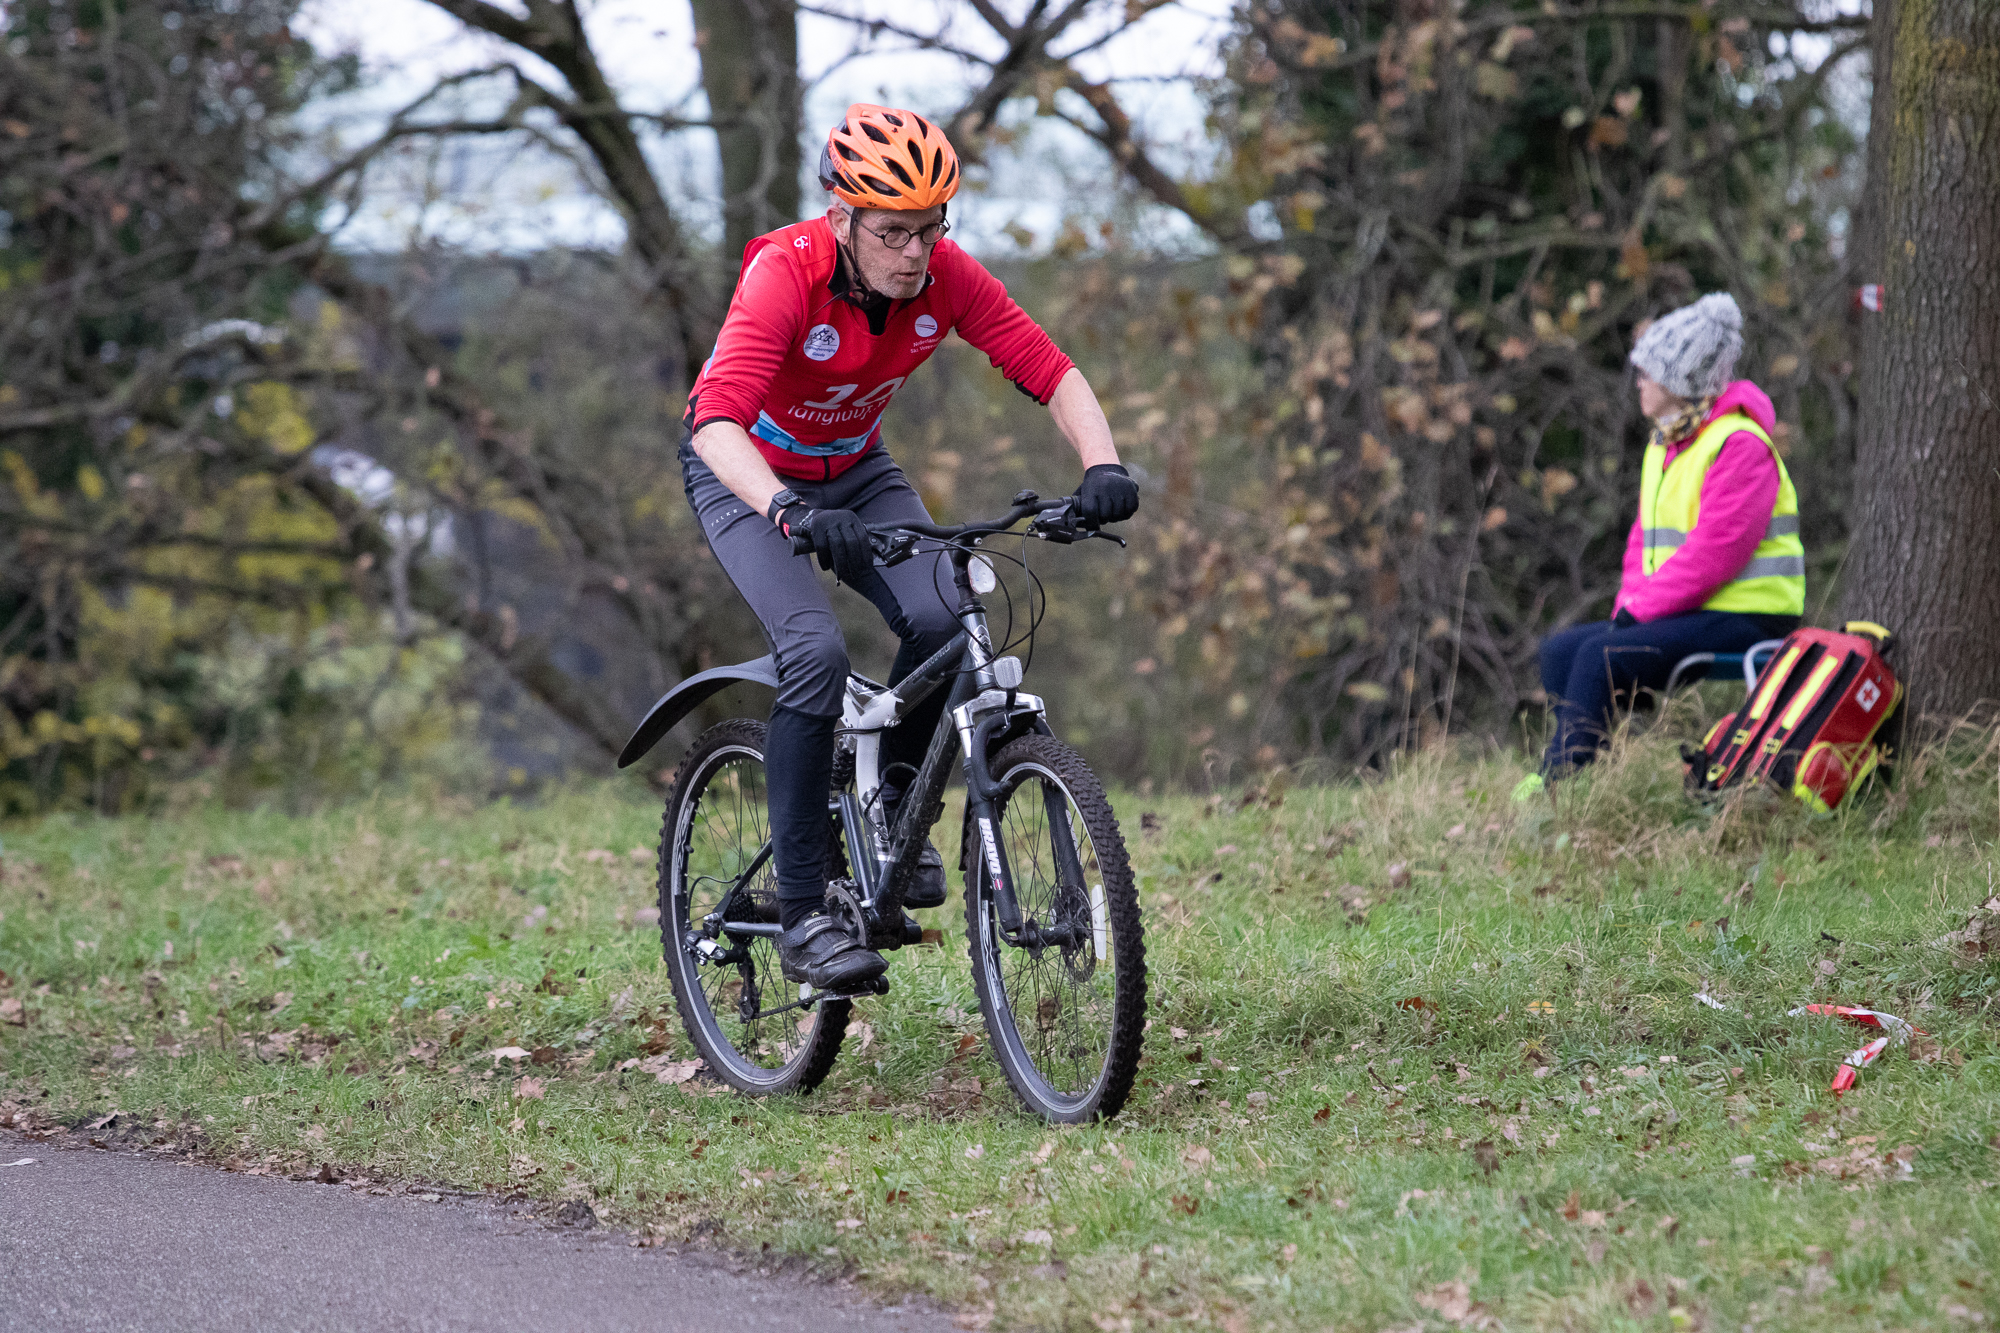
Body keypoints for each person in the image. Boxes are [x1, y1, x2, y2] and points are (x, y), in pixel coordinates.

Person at [680, 105, 1139, 989]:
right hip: (745, 475)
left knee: (947, 613)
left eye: (930, 230)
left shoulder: (944, 278)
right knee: (812, 649)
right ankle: (807, 911)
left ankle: (892, 807)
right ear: (842, 217)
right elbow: (713, 423)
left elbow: (1051, 368)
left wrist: (1102, 462)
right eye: (892, 233)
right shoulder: (787, 274)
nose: (914, 254)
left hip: (856, 471)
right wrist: (785, 507)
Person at [1519, 292, 1804, 793]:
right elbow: (1643, 541)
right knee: (1562, 651)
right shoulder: (1666, 442)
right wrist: (1629, 607)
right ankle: (1593, 775)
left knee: (1600, 657)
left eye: (1650, 370)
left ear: (1682, 381)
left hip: (1747, 616)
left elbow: (1713, 557)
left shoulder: (1739, 445)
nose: (1640, 381)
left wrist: (1637, 616)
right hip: (1689, 611)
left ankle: (1560, 786)